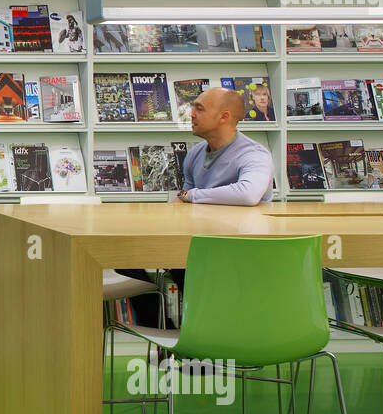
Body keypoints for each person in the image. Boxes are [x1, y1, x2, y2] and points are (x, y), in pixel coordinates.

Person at [117, 87, 274, 326]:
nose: (191, 114)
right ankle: (168, 335)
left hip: (239, 254)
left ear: (224, 117)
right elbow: (184, 204)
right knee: (124, 254)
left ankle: (195, 350)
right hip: (199, 247)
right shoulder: (195, 154)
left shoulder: (255, 155)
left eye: (199, 108)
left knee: (189, 274)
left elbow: (249, 194)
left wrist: (192, 195)